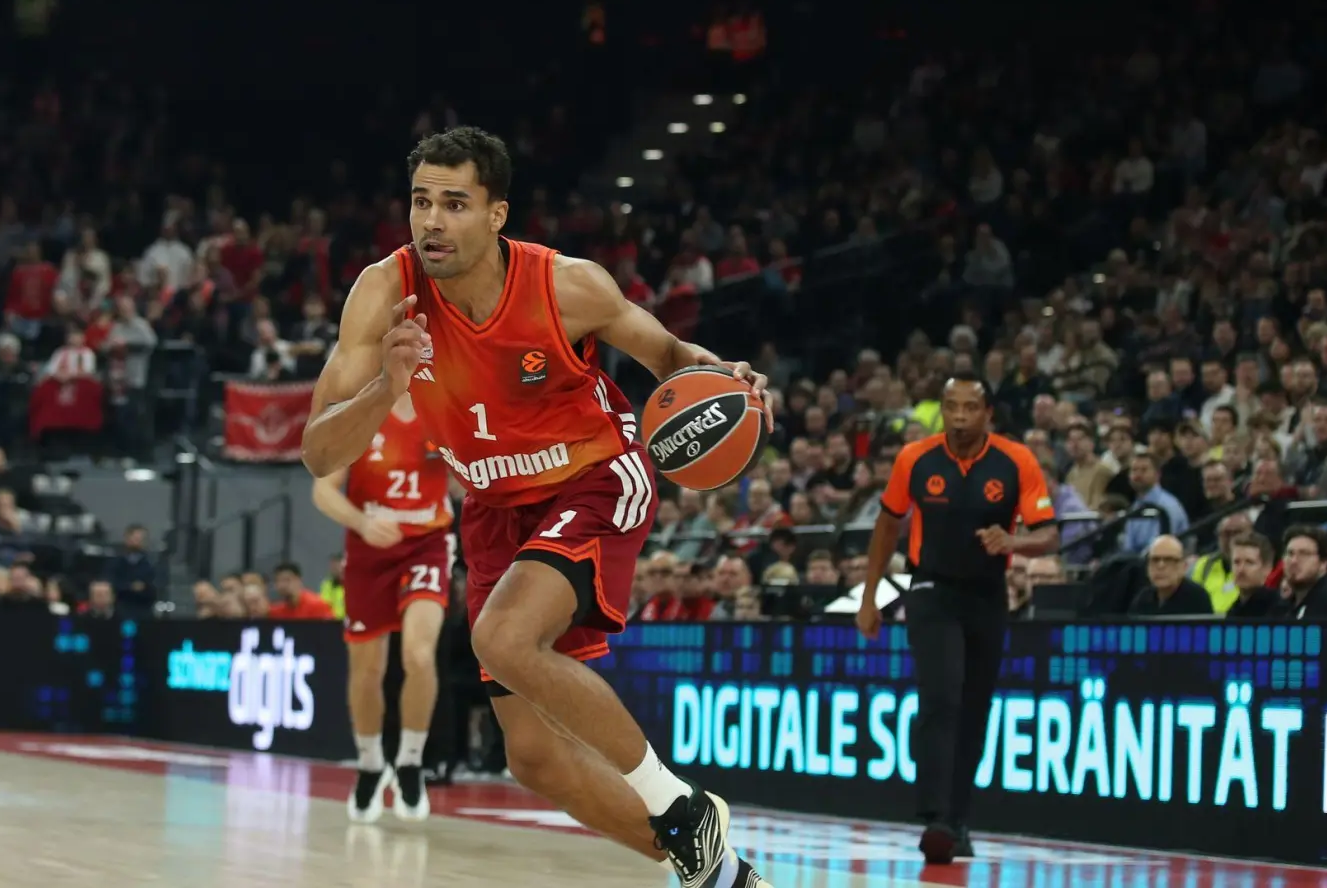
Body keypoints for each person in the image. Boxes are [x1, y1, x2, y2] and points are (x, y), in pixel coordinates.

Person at [301, 126, 772, 888]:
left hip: (595, 475)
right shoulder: (384, 294)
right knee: (534, 756)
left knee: (502, 637)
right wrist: (386, 387)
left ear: (496, 215)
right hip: (493, 508)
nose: (432, 221)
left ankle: (682, 807)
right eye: (422, 201)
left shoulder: (566, 286)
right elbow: (320, 453)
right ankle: (712, 867)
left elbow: (671, 358)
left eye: (455, 203)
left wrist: (729, 380)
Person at [855, 373, 1058, 865]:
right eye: (951, 408)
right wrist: (869, 595)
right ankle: (935, 818)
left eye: (970, 408)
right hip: (930, 590)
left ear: (989, 413)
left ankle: (958, 820)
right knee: (941, 696)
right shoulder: (914, 459)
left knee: (974, 709)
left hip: (988, 595)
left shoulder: (1016, 461)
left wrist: (1014, 542)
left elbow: (1048, 534)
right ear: (942, 411)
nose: (960, 418)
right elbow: (887, 525)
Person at [312, 392, 455, 824]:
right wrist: (360, 521)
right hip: (369, 546)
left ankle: (410, 760)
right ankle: (372, 762)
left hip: (427, 542)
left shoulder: (445, 408)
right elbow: (322, 491)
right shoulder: (362, 412)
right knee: (368, 668)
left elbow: (475, 479)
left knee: (417, 653)